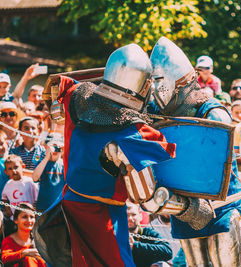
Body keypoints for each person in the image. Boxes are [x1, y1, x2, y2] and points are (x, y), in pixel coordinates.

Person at [33, 43, 201, 267]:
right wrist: (190, 209)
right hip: (103, 218)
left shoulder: (77, 98)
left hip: (69, 203)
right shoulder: (134, 133)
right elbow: (143, 195)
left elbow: (63, 87)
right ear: (144, 87)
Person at [150, 36, 241, 267]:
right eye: (153, 80)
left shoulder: (213, 113)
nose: (157, 87)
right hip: (186, 206)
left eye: (160, 80)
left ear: (178, 82)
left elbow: (216, 168)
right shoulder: (159, 112)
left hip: (221, 205)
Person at [127, 202, 173, 267]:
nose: (130, 218)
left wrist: (135, 246)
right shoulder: (117, 235)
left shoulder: (148, 233)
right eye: (126, 215)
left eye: (134, 214)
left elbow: (168, 251)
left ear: (140, 215)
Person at [32, 134, 65, 212]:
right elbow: (35, 178)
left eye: (58, 147)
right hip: (43, 206)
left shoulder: (64, 164)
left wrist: (64, 153)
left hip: (59, 206)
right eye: (53, 147)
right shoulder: (42, 163)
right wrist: (47, 157)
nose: (55, 149)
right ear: (47, 148)